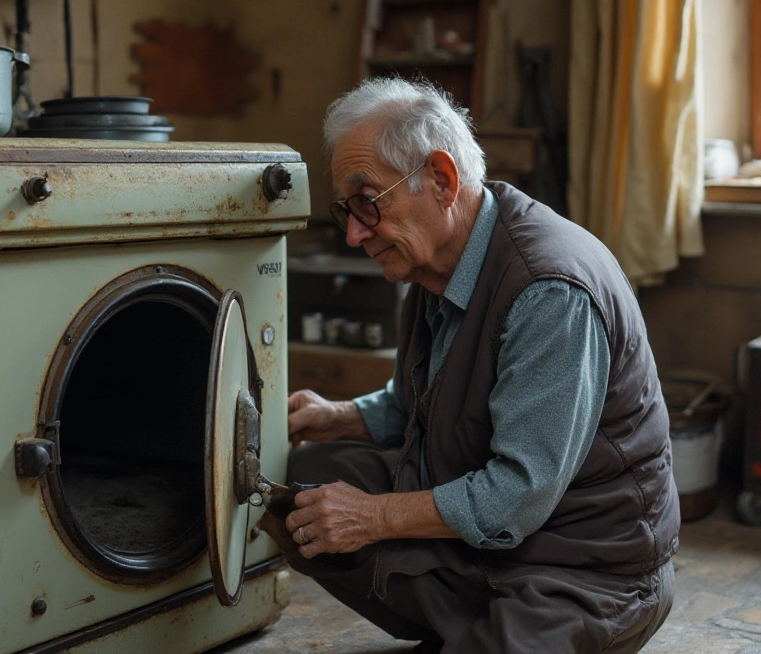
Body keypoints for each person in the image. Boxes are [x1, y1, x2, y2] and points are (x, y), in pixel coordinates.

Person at [265, 77, 679, 653]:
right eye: (346, 209)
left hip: (580, 569)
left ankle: (494, 627)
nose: (355, 233)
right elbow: (418, 406)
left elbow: (517, 494)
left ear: (441, 178)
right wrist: (338, 416)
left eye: (368, 203)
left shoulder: (547, 290)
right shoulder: (433, 265)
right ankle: (465, 621)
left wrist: (374, 517)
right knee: (301, 493)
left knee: (360, 519)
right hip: (488, 544)